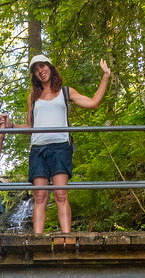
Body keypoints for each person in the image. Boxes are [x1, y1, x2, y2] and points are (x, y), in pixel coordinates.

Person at [25, 53, 111, 234]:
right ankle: (37, 240)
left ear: (50, 67)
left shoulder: (66, 92)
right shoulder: (33, 97)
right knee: (40, 196)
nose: (41, 71)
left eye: (43, 66)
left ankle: (67, 237)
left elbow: (93, 103)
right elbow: (29, 126)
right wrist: (10, 126)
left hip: (60, 147)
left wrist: (105, 77)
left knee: (61, 194)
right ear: (34, 74)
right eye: (36, 69)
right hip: (38, 148)